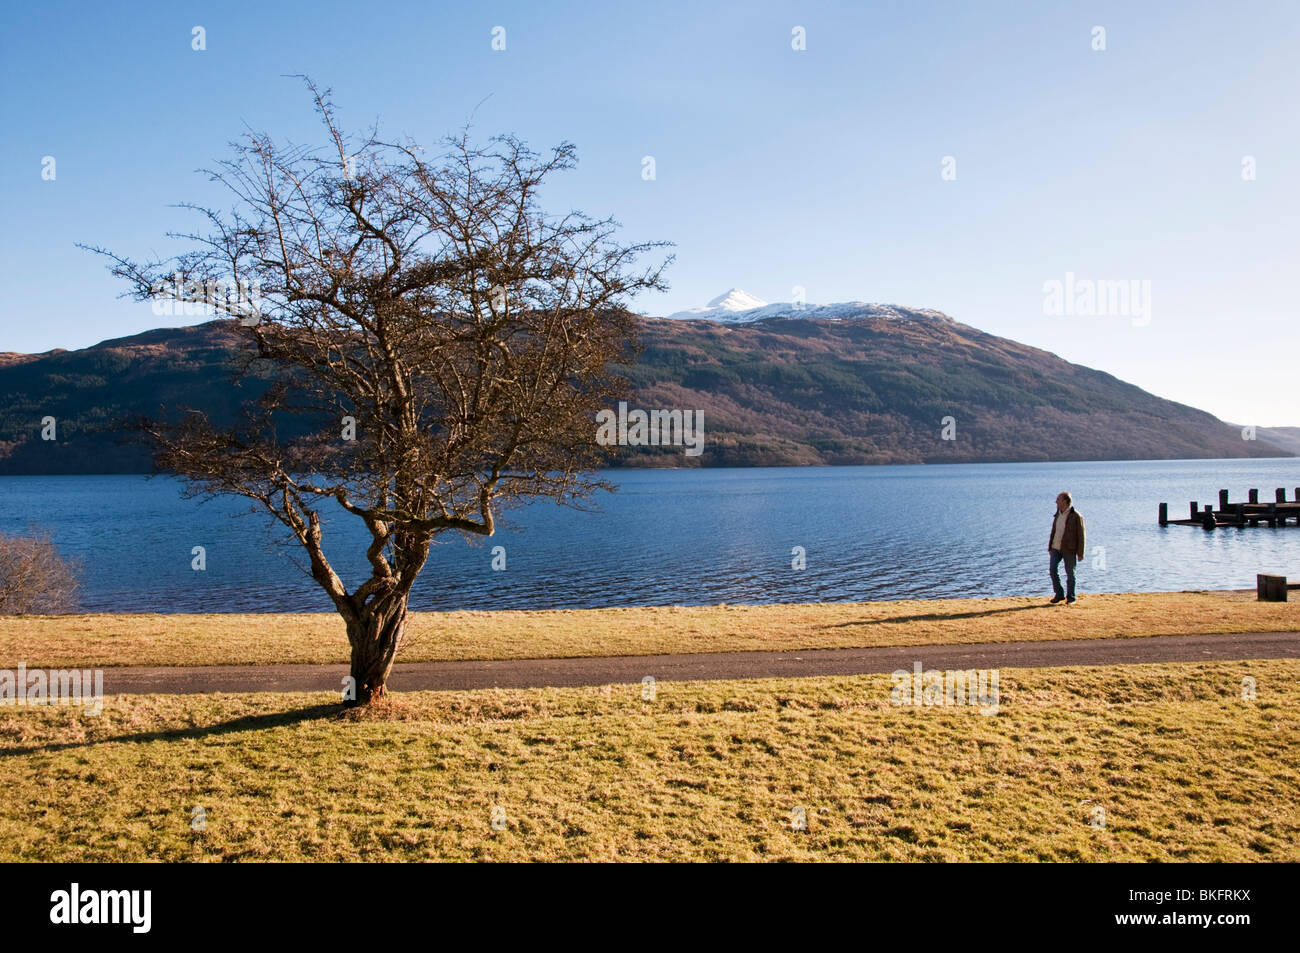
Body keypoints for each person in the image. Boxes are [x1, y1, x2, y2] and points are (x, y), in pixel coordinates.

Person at [1049, 491, 1085, 604]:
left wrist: (1080, 553)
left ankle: (1071, 598)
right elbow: (1054, 531)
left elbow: (1081, 535)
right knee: (1052, 569)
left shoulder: (1076, 516)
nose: (1056, 501)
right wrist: (1050, 546)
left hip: (1069, 548)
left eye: (1058, 499)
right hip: (1055, 547)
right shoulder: (1057, 514)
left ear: (1065, 501)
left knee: (1070, 574)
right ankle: (1059, 594)